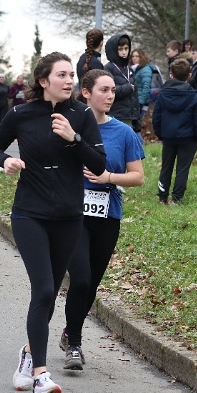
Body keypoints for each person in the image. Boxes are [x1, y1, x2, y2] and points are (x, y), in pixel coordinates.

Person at [0, 52, 106, 393]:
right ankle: (40, 375)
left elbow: (99, 165)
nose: (69, 81)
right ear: (43, 81)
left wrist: (74, 138)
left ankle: (28, 353)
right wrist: (6, 160)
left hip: (69, 216)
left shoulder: (81, 115)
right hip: (30, 215)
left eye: (71, 75)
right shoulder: (21, 114)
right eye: (62, 75)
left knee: (49, 293)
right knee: (42, 289)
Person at [58, 69, 144, 370]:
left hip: (108, 214)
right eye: (103, 90)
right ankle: (75, 345)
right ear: (86, 92)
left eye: (112, 91)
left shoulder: (124, 133)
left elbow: (138, 177)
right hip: (73, 215)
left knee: (91, 283)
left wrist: (108, 177)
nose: (109, 96)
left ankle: (69, 331)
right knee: (80, 278)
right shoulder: (68, 127)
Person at [153, 57, 197, 204]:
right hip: (188, 137)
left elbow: (156, 117)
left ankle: (162, 196)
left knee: (166, 166)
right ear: (189, 75)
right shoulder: (194, 96)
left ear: (171, 75)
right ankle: (177, 198)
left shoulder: (162, 95)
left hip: (168, 136)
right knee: (183, 168)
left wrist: (160, 134)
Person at [104, 33, 139, 132]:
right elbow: (107, 91)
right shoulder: (108, 68)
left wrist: (137, 118)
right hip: (116, 115)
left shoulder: (129, 69)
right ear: (114, 50)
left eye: (126, 49)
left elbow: (135, 95)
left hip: (129, 116)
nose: (124, 52)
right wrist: (128, 88)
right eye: (120, 49)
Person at [131, 48, 162, 125]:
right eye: (133, 56)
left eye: (137, 56)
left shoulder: (145, 70)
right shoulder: (136, 69)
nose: (134, 58)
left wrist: (140, 102)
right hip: (137, 102)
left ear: (141, 57)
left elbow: (146, 87)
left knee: (139, 125)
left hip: (142, 104)